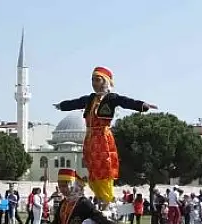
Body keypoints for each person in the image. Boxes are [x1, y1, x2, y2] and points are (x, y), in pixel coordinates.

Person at [53, 66, 157, 204]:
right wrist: (62, 106)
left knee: (104, 169)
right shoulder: (90, 99)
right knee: (93, 171)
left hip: (102, 138)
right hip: (90, 140)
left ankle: (108, 200)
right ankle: (102, 199)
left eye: (97, 80)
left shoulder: (111, 98)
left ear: (106, 81)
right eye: (92, 80)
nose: (94, 83)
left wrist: (142, 105)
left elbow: (126, 102)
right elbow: (76, 102)